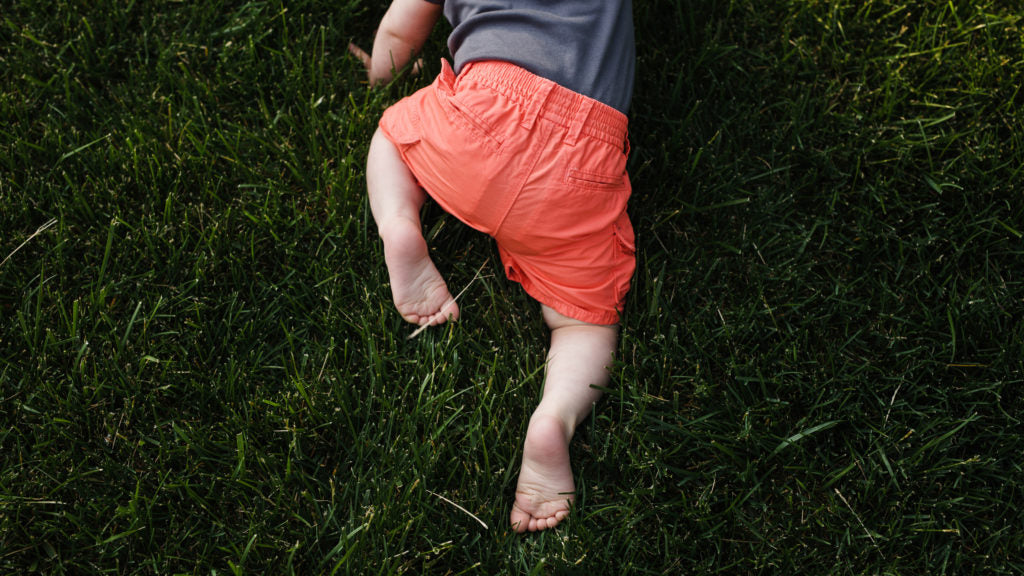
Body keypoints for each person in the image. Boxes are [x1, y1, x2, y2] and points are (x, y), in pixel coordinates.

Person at [349, 0, 635, 533]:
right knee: (584, 321)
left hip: (485, 112)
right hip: (582, 158)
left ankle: (400, 228)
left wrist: (383, 71)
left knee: (393, 136)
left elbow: (401, 28)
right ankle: (554, 418)